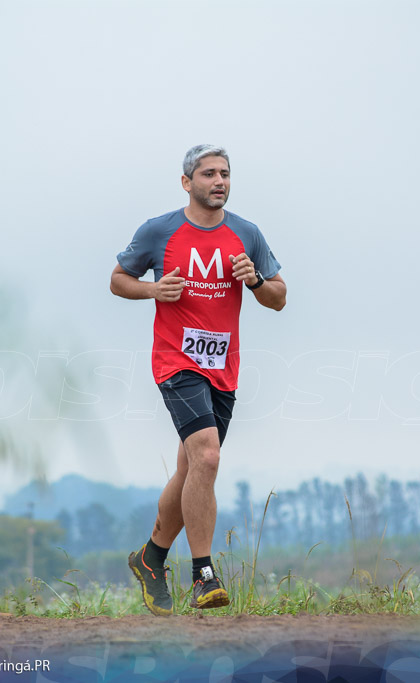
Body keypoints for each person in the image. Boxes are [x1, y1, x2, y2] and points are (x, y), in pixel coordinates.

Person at [110, 144, 286, 614]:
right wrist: (152, 288)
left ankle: (150, 559)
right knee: (207, 454)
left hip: (223, 367)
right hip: (176, 361)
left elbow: (279, 298)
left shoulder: (246, 234)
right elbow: (117, 279)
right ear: (187, 182)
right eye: (208, 174)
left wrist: (254, 281)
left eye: (225, 173)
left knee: (193, 468)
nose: (219, 181)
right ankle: (203, 574)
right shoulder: (159, 231)